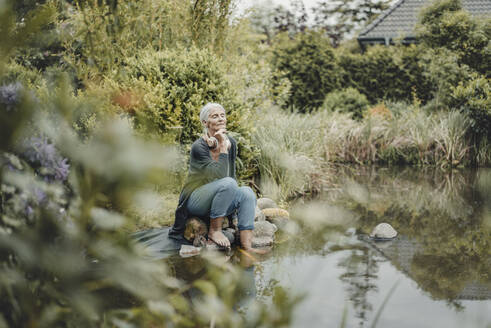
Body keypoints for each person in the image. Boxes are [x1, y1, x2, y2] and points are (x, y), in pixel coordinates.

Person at [169, 103, 267, 254]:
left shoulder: (231, 143)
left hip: (221, 197)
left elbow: (231, 174)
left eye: (222, 115)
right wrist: (221, 147)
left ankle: (247, 246)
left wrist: (233, 214)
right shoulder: (199, 147)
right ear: (205, 123)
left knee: (247, 192)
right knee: (228, 183)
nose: (221, 119)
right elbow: (218, 176)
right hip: (197, 199)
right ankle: (215, 230)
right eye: (215, 116)